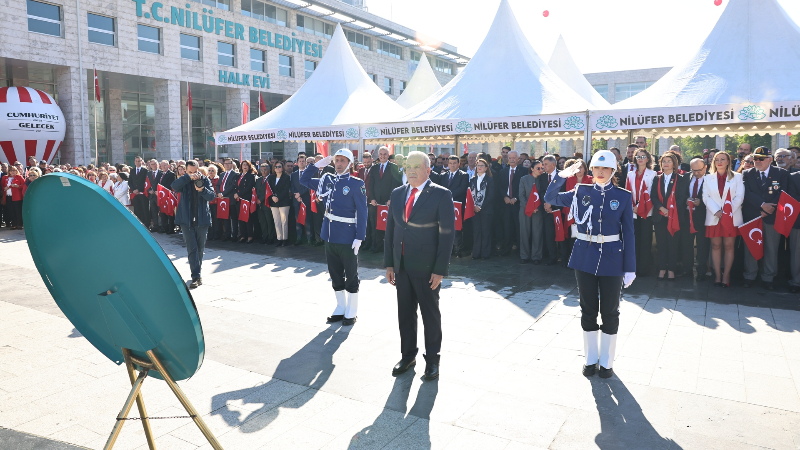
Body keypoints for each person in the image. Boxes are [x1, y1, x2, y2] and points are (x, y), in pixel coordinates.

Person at [545, 150, 635, 379]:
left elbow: (629, 234)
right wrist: (560, 176)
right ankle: (590, 358)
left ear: (613, 170)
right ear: (592, 170)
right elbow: (551, 198)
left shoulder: (623, 196)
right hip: (584, 256)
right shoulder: (580, 191)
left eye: (605, 169)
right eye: (597, 168)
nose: (601, 172)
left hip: (613, 258)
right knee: (587, 309)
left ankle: (606, 361)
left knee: (610, 311)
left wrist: (630, 266)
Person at [385, 151, 455, 380]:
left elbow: (447, 235)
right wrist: (389, 264)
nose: (411, 170)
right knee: (405, 314)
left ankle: (432, 360)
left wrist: (439, 270)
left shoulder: (441, 194)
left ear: (428, 169)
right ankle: (408, 356)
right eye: (408, 166)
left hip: (427, 269)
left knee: (430, 315)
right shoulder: (397, 194)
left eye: (416, 166)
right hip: (402, 266)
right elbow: (391, 231)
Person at [300, 149, 368, 326]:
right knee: (335, 274)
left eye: (343, 161)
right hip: (329, 234)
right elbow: (304, 180)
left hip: (347, 236)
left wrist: (359, 236)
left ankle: (352, 310)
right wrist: (315, 165)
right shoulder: (327, 180)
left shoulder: (356, 183)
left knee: (351, 275)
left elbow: (362, 212)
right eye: (336, 160)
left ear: (349, 164)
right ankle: (340, 307)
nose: (338, 164)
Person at [741, 146, 795, 289]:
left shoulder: (781, 173)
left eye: (761, 158)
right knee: (751, 248)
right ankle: (750, 275)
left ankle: (768, 278)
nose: (757, 161)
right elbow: (746, 193)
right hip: (753, 216)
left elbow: (783, 193)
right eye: (755, 158)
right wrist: (762, 205)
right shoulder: (747, 173)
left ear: (770, 160)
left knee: (771, 248)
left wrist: (770, 208)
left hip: (772, 215)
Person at [702, 152, 744, 287]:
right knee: (716, 246)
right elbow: (706, 197)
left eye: (722, 159)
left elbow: (739, 197)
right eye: (717, 160)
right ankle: (717, 276)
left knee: (728, 246)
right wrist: (717, 211)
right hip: (714, 216)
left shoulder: (737, 177)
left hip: (731, 217)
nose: (719, 162)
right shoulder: (708, 178)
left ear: (728, 162)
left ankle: (726, 275)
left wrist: (726, 212)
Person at [172, 160, 215, 289]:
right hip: (186, 221)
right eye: (190, 172)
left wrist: (202, 190)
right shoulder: (184, 181)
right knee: (192, 248)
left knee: (200, 248)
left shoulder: (205, 180)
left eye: (195, 171)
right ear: (185, 171)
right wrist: (187, 178)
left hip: (202, 221)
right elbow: (174, 186)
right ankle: (196, 276)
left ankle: (197, 273)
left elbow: (212, 196)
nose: (194, 174)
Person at [650, 152, 688, 281]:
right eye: (664, 161)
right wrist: (661, 208)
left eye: (669, 161)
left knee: (673, 244)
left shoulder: (681, 178)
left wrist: (670, 210)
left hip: (675, 215)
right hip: (660, 215)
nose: (666, 163)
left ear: (674, 164)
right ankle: (662, 269)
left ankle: (671, 270)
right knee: (661, 244)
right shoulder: (656, 178)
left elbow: (682, 197)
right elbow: (653, 196)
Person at [627, 149, 657, 276]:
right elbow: (627, 192)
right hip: (632, 212)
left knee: (645, 240)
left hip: (646, 212)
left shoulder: (653, 174)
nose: (640, 158)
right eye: (638, 156)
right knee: (635, 241)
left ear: (648, 159)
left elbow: (650, 193)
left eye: (643, 156)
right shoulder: (630, 174)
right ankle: (634, 268)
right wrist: (633, 207)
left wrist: (639, 207)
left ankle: (643, 269)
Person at [682, 158, 711, 282]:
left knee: (702, 245)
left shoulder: (711, 178)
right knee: (686, 244)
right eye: (693, 170)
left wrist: (702, 203)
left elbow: (714, 197)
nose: (696, 173)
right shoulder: (686, 177)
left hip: (703, 217)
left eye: (699, 170)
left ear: (705, 167)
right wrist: (685, 200)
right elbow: (680, 194)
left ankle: (701, 271)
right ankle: (687, 269)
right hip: (687, 216)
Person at [368, 147, 402, 253]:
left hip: (388, 202)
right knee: (374, 224)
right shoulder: (374, 168)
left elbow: (396, 184)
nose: (382, 156)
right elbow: (371, 184)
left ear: (388, 155)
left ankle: (388, 247)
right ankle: (375, 245)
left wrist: (391, 198)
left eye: (385, 154)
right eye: (381, 154)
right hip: (375, 202)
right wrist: (372, 198)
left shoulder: (394, 167)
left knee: (388, 225)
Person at [440, 155, 469, 258]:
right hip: (444, 206)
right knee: (445, 228)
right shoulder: (443, 175)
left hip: (457, 205)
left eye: (454, 163)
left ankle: (458, 250)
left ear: (458, 164)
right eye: (450, 163)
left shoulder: (463, 175)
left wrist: (448, 195)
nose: (452, 165)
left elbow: (462, 189)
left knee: (457, 229)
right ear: (448, 164)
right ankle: (448, 250)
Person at [497, 151, 525, 256]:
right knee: (507, 227)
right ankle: (507, 248)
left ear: (518, 159)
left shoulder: (523, 171)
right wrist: (505, 196)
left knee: (519, 227)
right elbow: (500, 186)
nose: (512, 159)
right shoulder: (503, 172)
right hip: (506, 203)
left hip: (518, 203)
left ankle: (520, 250)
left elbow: (524, 187)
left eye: (514, 157)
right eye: (510, 158)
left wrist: (516, 197)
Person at [538, 155, 564, 265]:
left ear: (553, 164)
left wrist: (552, 205)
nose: (543, 167)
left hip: (559, 210)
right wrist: (546, 205)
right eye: (543, 164)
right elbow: (541, 192)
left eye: (545, 164)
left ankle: (563, 258)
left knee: (561, 235)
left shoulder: (562, 176)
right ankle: (552, 257)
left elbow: (562, 192)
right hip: (546, 211)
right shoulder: (542, 177)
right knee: (549, 235)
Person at [519, 160, 544, 264]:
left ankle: (536, 257)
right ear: (532, 169)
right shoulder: (524, 179)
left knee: (537, 233)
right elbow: (521, 195)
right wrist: (529, 207)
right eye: (538, 168)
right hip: (525, 210)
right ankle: (524, 256)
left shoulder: (543, 180)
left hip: (538, 210)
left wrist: (538, 207)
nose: (540, 170)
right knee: (524, 232)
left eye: (542, 168)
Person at [291, 153, 313, 246]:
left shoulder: (309, 173)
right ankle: (299, 238)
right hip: (297, 200)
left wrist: (300, 194)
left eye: (303, 161)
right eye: (300, 161)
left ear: (306, 162)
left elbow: (308, 186)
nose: (301, 163)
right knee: (298, 220)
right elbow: (292, 186)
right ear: (297, 163)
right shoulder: (294, 174)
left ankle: (309, 239)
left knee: (307, 220)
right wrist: (296, 195)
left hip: (306, 199)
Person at [268, 161, 292, 246]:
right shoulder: (271, 178)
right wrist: (273, 197)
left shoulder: (286, 177)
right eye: (276, 167)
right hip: (273, 201)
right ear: (274, 168)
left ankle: (285, 238)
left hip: (284, 201)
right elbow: (269, 189)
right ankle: (279, 238)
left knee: (284, 221)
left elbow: (286, 190)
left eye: (279, 166)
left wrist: (278, 197)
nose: (278, 168)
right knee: (276, 221)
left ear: (282, 168)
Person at [218, 158, 240, 241]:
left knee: (233, 218)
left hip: (230, 199)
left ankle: (234, 235)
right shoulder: (222, 174)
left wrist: (223, 193)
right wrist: (219, 193)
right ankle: (227, 234)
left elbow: (232, 186)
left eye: (228, 163)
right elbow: (218, 185)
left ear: (232, 164)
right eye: (225, 163)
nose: (227, 165)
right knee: (225, 217)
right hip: (222, 200)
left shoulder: (235, 174)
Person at [255, 163, 277, 245]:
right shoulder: (259, 179)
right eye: (262, 170)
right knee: (263, 222)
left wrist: (261, 199)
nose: (263, 172)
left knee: (269, 221)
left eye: (265, 170)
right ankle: (265, 237)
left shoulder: (271, 178)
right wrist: (256, 199)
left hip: (267, 203)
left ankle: (271, 238)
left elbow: (269, 191)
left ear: (269, 170)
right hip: (259, 204)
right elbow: (257, 190)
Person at [357, 152, 374, 251]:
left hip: (371, 201)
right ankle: (364, 242)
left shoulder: (375, 170)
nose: (366, 164)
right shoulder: (361, 170)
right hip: (362, 201)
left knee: (371, 223)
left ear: (371, 160)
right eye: (365, 162)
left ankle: (371, 243)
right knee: (364, 223)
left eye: (368, 162)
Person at [145, 159, 161, 231]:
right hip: (152, 196)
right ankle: (155, 226)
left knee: (161, 211)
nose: (153, 165)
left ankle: (162, 225)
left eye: (155, 164)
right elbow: (146, 184)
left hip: (160, 195)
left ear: (157, 164)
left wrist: (159, 191)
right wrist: (149, 190)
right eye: (152, 164)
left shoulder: (161, 173)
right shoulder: (148, 173)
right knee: (153, 211)